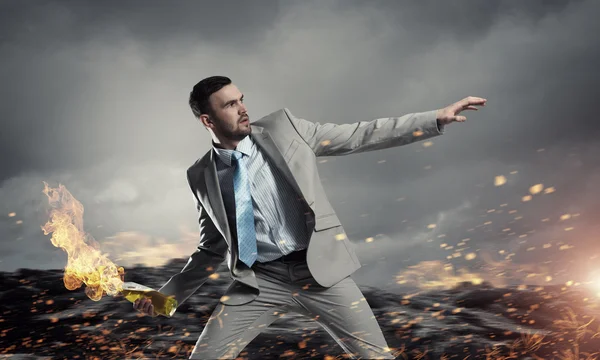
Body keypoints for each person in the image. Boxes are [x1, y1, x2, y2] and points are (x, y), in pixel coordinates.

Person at [133, 75, 486, 359]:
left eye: (241, 99)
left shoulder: (286, 128)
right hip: (260, 283)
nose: (242, 109)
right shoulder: (201, 175)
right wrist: (168, 295)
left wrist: (433, 119)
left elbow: (360, 134)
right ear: (207, 120)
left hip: (319, 272)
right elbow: (211, 248)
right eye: (230, 104)